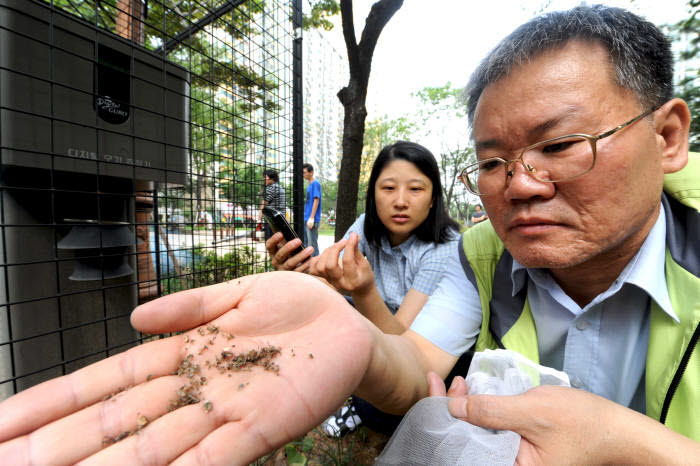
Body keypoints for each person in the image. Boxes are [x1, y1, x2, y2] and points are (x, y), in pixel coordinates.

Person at [1, 5, 699, 464]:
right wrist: (345, 327)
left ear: (667, 136)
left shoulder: (446, 249)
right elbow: (411, 356)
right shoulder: (484, 253)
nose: (519, 184)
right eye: (492, 161)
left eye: (560, 145)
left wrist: (628, 447)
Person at [266, 141, 461, 436]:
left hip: (421, 347)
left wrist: (364, 291)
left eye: (416, 189)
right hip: (374, 326)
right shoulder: (365, 226)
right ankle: (342, 392)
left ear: (433, 198)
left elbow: (405, 345)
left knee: (388, 415)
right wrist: (298, 276)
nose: (400, 201)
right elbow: (326, 283)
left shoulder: (443, 249)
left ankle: (359, 404)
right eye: (388, 188)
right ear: (373, 195)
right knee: (324, 312)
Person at [260, 169, 287, 241]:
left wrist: (259, 219)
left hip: (272, 220)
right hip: (281, 219)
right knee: (278, 242)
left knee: (270, 242)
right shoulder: (280, 187)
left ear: (271, 178)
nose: (264, 179)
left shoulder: (271, 188)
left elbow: (264, 204)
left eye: (265, 177)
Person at [303, 163, 322, 256]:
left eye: (305, 172)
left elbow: (316, 200)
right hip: (306, 218)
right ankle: (309, 267)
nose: (304, 174)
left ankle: (317, 268)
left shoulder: (315, 183)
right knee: (307, 245)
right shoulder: (309, 185)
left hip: (312, 219)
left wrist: (312, 218)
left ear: (311, 172)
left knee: (312, 245)